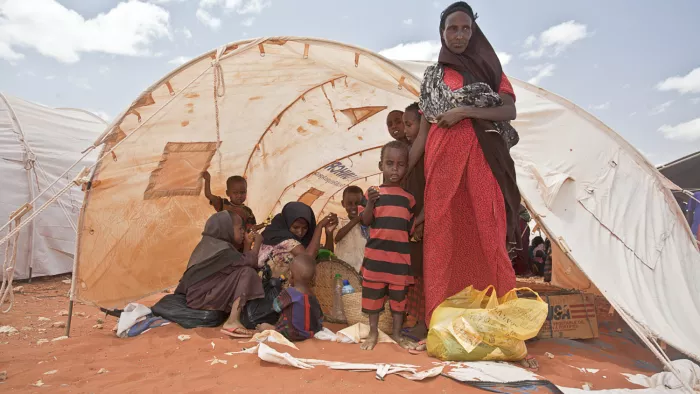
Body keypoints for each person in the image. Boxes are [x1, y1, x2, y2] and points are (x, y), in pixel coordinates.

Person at [409, 1, 521, 332]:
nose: (459, 35)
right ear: (442, 34)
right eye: (452, 29)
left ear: (474, 31)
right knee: (442, 234)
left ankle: (502, 316)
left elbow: (509, 111)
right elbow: (424, 132)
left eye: (465, 28)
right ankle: (440, 322)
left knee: (488, 227)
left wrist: (465, 112)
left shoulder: (490, 72)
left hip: (482, 157)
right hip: (442, 160)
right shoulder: (434, 76)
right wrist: (400, 172)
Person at [359, 141, 417, 351]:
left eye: (400, 164)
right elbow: (365, 221)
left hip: (399, 261)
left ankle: (396, 333)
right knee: (373, 299)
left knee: (398, 302)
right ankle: (373, 333)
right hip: (375, 259)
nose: (395, 169)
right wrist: (370, 203)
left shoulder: (409, 200)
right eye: (390, 163)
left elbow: (409, 229)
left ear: (406, 167)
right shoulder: (372, 194)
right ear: (380, 165)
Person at [175, 211, 264, 338]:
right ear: (226, 229)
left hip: (197, 296)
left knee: (243, 270)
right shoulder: (223, 250)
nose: (243, 232)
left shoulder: (211, 244)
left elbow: (242, 262)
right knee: (247, 272)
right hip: (202, 298)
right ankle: (232, 321)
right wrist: (257, 244)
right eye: (240, 228)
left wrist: (247, 245)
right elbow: (251, 262)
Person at [401, 102, 427, 340]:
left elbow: (435, 190)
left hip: (425, 222)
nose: (405, 129)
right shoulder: (410, 154)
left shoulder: (428, 154)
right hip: (415, 223)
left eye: (410, 124)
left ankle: (423, 322)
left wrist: (421, 218)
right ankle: (418, 319)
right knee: (416, 273)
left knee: (424, 273)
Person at [258, 202, 338, 279]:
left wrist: (329, 233)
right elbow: (308, 259)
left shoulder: (303, 242)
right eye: (296, 227)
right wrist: (319, 226)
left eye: (305, 228)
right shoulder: (283, 239)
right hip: (270, 289)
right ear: (287, 223)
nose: (300, 232)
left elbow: (327, 258)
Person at [256, 254, 324, 342]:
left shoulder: (290, 293)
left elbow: (276, 307)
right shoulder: (313, 296)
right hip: (310, 333)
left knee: (263, 326)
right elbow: (320, 317)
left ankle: (272, 328)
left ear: (291, 275)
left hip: (290, 333)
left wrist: (281, 291)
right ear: (313, 278)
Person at [334, 186, 369, 273]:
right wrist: (356, 219)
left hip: (363, 271)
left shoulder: (368, 223)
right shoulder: (339, 222)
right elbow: (337, 237)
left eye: (357, 203)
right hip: (342, 271)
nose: (354, 207)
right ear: (343, 204)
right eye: (350, 204)